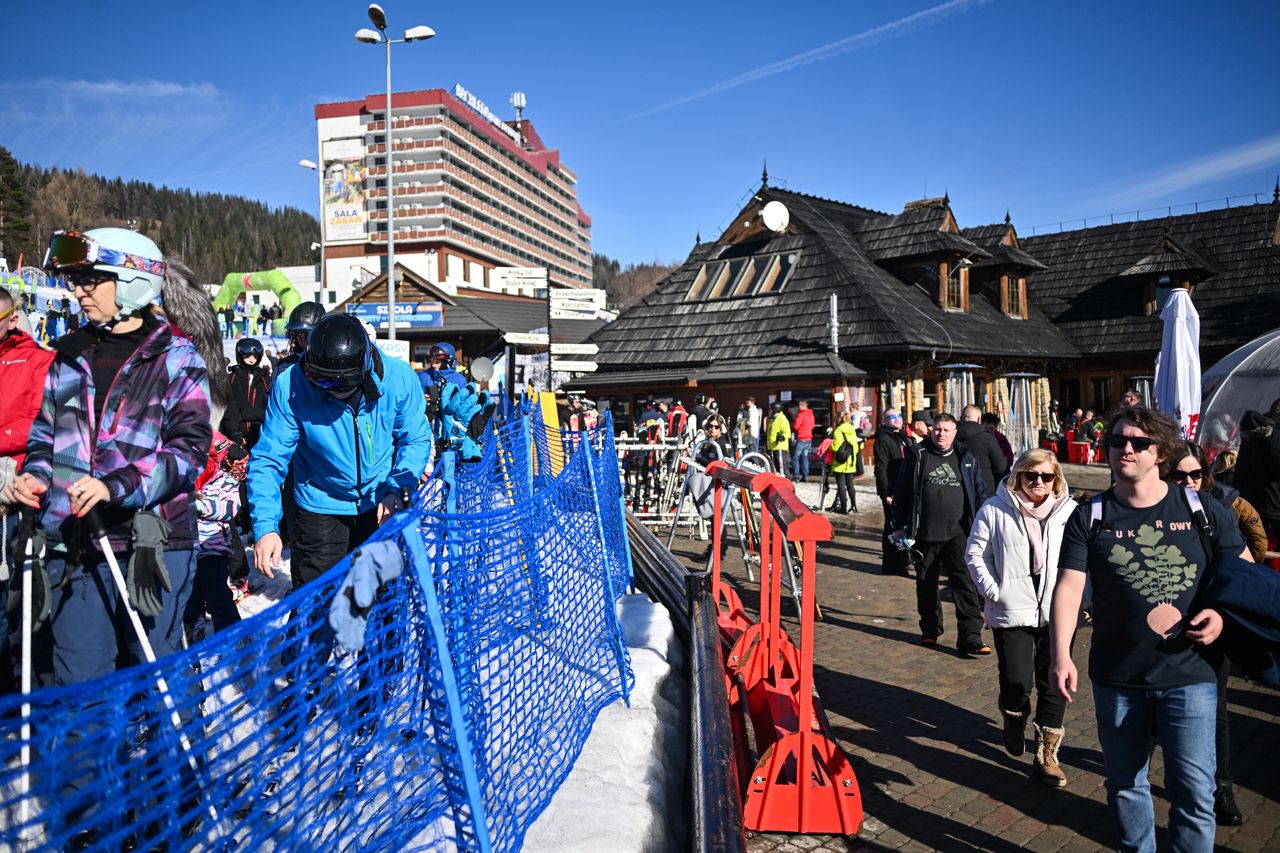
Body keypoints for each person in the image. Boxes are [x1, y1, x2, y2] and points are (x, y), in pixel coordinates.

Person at [10, 227, 212, 689]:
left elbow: (189, 450)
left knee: (159, 681)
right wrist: (36, 476)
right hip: (78, 543)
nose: (77, 292)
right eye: (74, 281)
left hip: (152, 546)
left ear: (132, 281)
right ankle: (95, 764)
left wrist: (116, 485)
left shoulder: (177, 358)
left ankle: (176, 763)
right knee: (81, 688)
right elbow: (45, 436)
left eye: (90, 280)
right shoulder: (68, 354)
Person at [1050, 407, 1249, 852]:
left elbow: (1242, 576)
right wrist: (1060, 654)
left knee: (1195, 795)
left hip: (1192, 673)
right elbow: (1068, 589)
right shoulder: (1090, 516)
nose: (1126, 449)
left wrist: (1220, 615)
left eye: (1139, 443)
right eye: (1119, 441)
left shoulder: (1203, 510)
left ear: (1161, 453)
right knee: (1125, 785)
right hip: (1118, 675)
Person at [249, 313, 430, 591]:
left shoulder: (399, 379)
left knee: (382, 596)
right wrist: (266, 527)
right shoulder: (291, 386)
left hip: (380, 500)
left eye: (338, 384)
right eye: (321, 382)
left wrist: (398, 487)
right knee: (317, 599)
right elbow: (268, 459)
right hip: (319, 502)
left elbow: (414, 439)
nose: (330, 391)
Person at [966, 449, 1078, 786]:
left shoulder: (1070, 512)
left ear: (1056, 478)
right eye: (1032, 476)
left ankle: (1047, 755)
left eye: (1046, 476)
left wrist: (1082, 601)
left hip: (1057, 612)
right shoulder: (995, 509)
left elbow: (1084, 561)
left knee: (1054, 683)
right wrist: (994, 590)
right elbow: (975, 553)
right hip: (1011, 609)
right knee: (1017, 682)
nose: (1039, 483)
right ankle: (1014, 716)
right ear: (1019, 475)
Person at [1170, 440, 1262, 826]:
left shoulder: (1223, 506)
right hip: (1160, 629)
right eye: (1180, 475)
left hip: (1212, 624)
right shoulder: (1146, 508)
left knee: (1216, 710)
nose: (1190, 481)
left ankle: (1220, 787)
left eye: (1196, 473)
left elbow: (1249, 559)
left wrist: (1224, 609)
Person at [891, 413, 990, 656]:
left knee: (965, 583)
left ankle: (971, 637)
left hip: (959, 532)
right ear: (930, 430)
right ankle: (930, 629)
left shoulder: (966, 457)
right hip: (924, 532)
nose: (941, 434)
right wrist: (898, 524)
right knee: (926, 583)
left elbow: (980, 492)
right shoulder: (918, 455)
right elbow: (902, 491)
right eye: (937, 429)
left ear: (955, 433)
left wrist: (984, 523)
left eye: (946, 430)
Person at [185, 432, 245, 638]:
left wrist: (202, 506)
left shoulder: (224, 479)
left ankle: (232, 637)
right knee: (190, 600)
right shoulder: (185, 480)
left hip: (214, 549)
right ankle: (195, 638)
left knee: (217, 596)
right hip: (186, 548)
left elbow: (230, 507)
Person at [1234, 399, 1280, 547]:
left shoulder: (1254, 430)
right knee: (1266, 551)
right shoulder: (1272, 433)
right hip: (1271, 505)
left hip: (1251, 500)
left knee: (1256, 546)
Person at [873, 409, 910, 575]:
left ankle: (902, 562)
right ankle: (891, 565)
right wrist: (885, 493)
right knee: (892, 528)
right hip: (892, 491)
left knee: (902, 527)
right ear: (884, 421)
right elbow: (881, 468)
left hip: (903, 489)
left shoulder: (902, 437)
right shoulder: (883, 439)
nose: (896, 419)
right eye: (891, 417)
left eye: (899, 416)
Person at [221, 337, 272, 449]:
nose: (251, 359)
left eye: (255, 356)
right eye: (247, 356)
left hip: (258, 433)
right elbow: (228, 406)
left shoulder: (265, 379)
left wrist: (247, 414)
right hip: (235, 433)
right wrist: (234, 431)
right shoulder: (232, 377)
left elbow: (269, 406)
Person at [957, 405, 1010, 495]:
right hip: (985, 489)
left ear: (961, 418)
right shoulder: (988, 438)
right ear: (979, 419)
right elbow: (1001, 467)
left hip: (959, 488)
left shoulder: (950, 436)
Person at [279, 301, 325, 371]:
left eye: (306, 334)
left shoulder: (333, 365)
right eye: (297, 333)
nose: (301, 339)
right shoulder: (283, 367)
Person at [828, 411, 859, 515]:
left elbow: (836, 447)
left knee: (841, 486)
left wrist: (829, 445)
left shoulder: (838, 431)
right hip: (850, 461)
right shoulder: (852, 429)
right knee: (850, 484)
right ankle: (854, 506)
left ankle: (844, 507)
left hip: (840, 462)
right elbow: (855, 446)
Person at [791, 400, 815, 483]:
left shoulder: (801, 415)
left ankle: (796, 476)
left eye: (799, 406)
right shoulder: (811, 415)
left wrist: (793, 429)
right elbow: (812, 426)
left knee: (795, 457)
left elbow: (796, 426)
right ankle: (805, 475)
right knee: (805, 457)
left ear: (802, 406)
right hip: (808, 438)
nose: (798, 407)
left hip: (801, 438)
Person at [766, 401, 792, 477]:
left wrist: (782, 436)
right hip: (772, 446)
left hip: (780, 447)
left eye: (771, 409)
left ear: (775, 410)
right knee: (774, 467)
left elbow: (787, 433)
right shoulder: (772, 419)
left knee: (782, 466)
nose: (769, 411)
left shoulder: (782, 419)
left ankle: (787, 479)